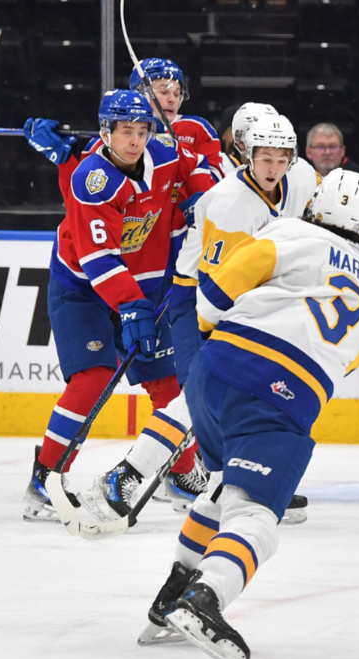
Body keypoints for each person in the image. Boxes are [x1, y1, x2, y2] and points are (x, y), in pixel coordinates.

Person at [137, 169, 359, 659]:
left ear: (317, 205)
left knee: (221, 487)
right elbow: (353, 358)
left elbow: (228, 277)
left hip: (215, 370)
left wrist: (211, 330)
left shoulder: (289, 229)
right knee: (255, 515)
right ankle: (206, 596)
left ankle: (171, 594)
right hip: (282, 392)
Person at [83, 113, 316, 522]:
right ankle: (127, 475)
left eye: (282, 158)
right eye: (265, 157)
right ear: (248, 155)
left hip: (249, 300)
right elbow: (212, 288)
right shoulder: (231, 205)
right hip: (199, 299)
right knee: (200, 395)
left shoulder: (300, 179)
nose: (273, 166)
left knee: (248, 395)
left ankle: (236, 485)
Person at [21, 90, 214, 522]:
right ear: (105, 132)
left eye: (142, 130)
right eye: (126, 130)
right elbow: (99, 258)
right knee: (92, 379)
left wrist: (202, 200)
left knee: (169, 385)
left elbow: (200, 169)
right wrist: (130, 306)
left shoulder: (164, 153)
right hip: (84, 289)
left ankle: (182, 473)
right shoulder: (93, 179)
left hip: (142, 289)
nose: (135, 140)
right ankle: (44, 478)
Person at [130, 58, 228, 182]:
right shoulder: (123, 130)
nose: (172, 99)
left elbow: (214, 186)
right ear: (140, 94)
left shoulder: (197, 128)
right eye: (164, 92)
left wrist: (180, 155)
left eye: (176, 94)